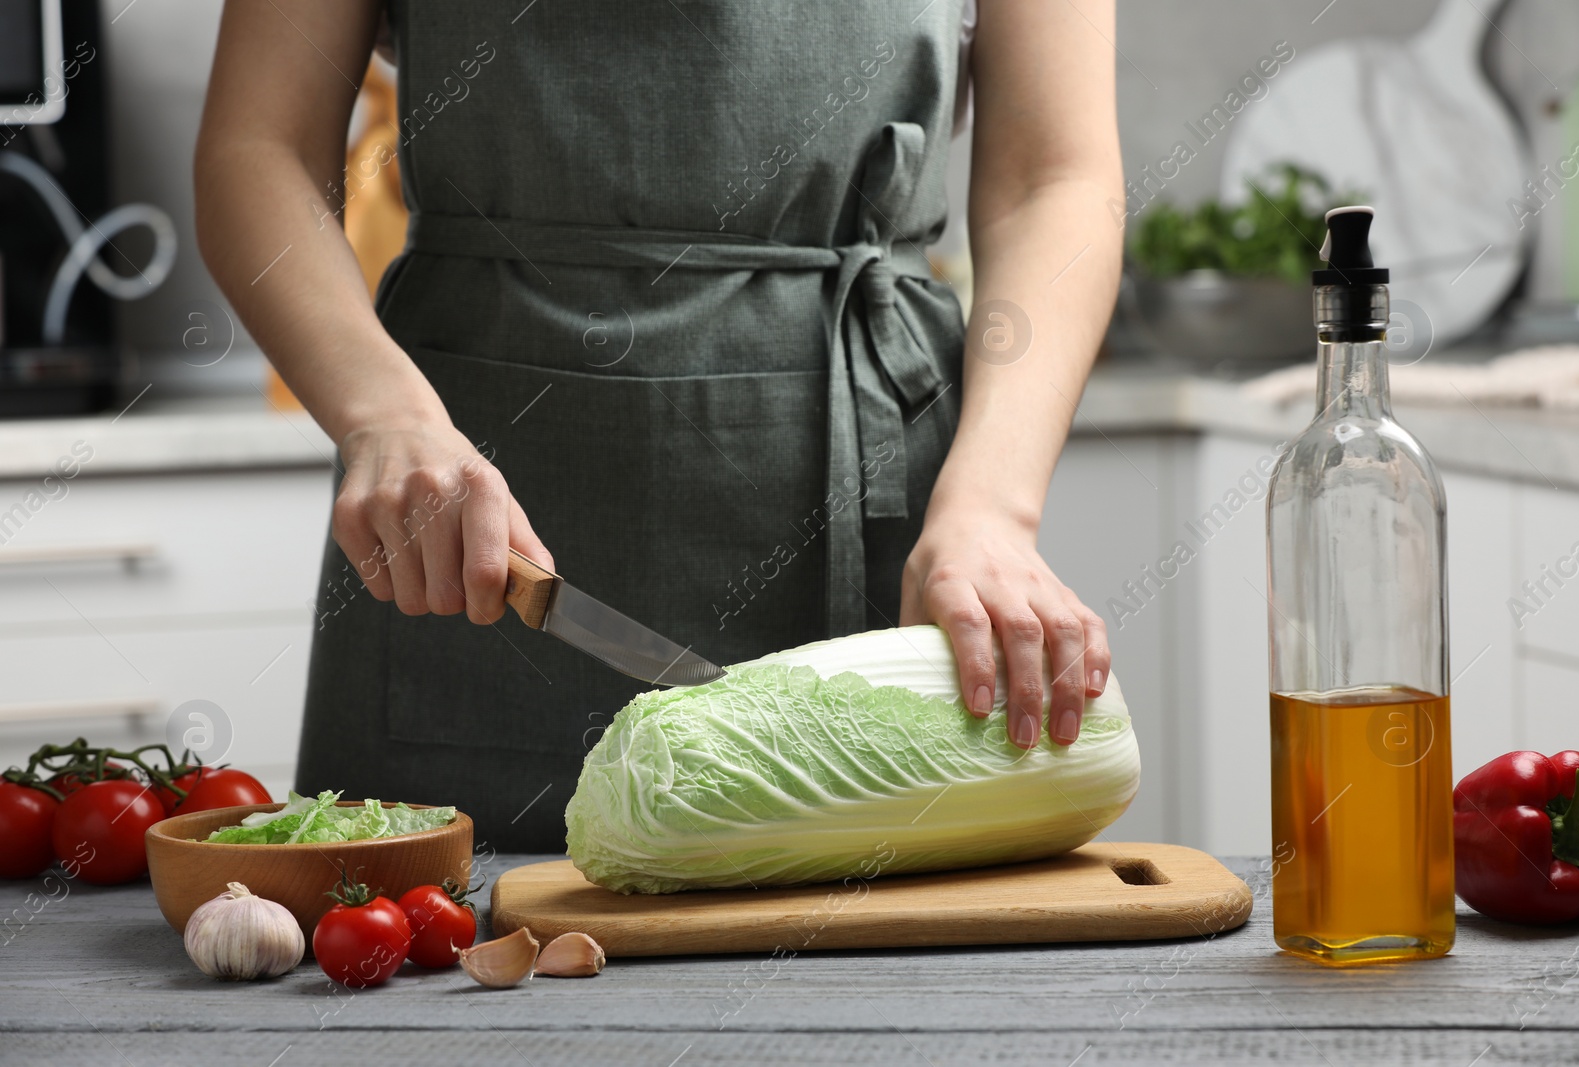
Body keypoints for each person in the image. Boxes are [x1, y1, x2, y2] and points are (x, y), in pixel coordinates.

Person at [195, 0, 1124, 852]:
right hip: (469, 527)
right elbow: (258, 144)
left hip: (887, 496)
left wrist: (992, 511)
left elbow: (1058, 176)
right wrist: (382, 417)